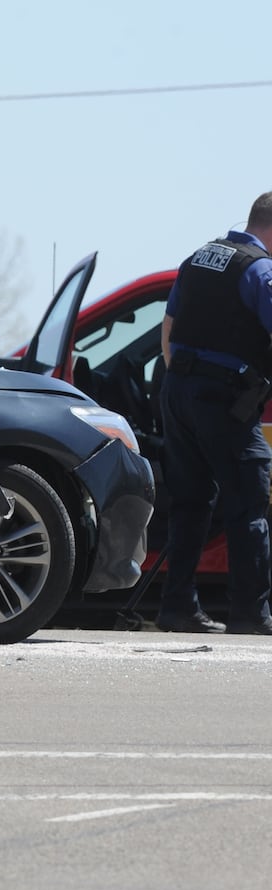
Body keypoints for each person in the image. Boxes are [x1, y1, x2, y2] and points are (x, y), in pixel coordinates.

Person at [155, 191, 272, 634]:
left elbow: (168, 329)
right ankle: (250, 613)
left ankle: (177, 607)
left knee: (190, 504)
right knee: (248, 503)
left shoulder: (200, 258)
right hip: (222, 398)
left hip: (179, 391)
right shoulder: (259, 269)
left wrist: (183, 385)